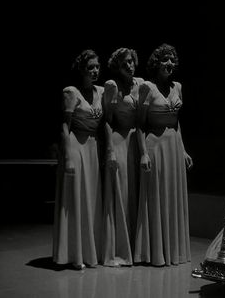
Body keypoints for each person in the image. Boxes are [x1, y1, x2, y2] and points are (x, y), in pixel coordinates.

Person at [134, 43, 193, 266]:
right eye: (165, 59)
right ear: (156, 63)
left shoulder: (178, 86)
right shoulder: (147, 87)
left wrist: (183, 149)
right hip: (155, 147)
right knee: (156, 198)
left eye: (172, 60)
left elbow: (177, 123)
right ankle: (155, 252)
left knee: (173, 197)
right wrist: (143, 154)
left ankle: (174, 251)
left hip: (174, 147)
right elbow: (139, 124)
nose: (169, 63)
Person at [53, 49, 104, 270]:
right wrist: (67, 157)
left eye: (97, 66)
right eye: (90, 67)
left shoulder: (101, 91)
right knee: (75, 199)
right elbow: (64, 126)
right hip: (75, 145)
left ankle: (91, 251)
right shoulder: (71, 92)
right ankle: (74, 254)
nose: (95, 70)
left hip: (92, 146)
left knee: (90, 199)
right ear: (82, 69)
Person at [101, 48, 144, 267]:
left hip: (137, 142)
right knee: (124, 194)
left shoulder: (141, 84)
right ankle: (120, 249)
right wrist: (109, 149)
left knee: (138, 193)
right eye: (125, 63)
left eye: (131, 61)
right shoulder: (112, 86)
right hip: (119, 141)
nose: (130, 66)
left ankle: (139, 249)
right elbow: (107, 120)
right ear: (118, 67)